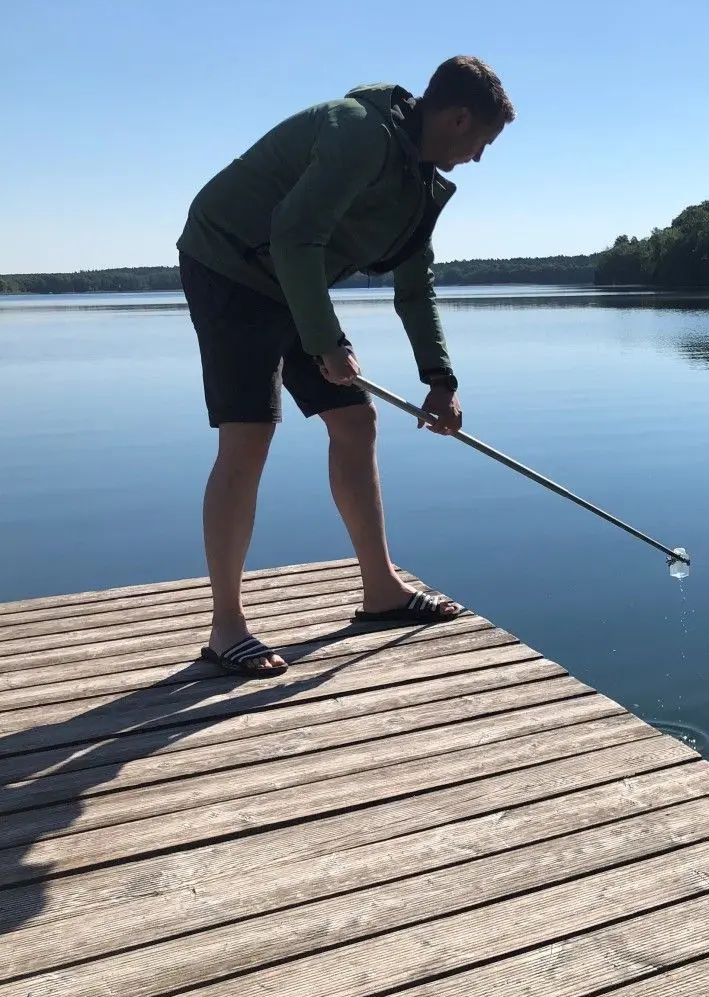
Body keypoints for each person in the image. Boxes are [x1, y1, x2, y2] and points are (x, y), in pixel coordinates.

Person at [176, 56, 514, 677]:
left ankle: (380, 591)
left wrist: (441, 382)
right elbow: (294, 236)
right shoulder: (357, 131)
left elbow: (415, 288)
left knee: (355, 422)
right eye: (481, 141)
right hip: (229, 265)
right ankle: (226, 629)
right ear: (458, 116)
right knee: (248, 435)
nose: (478, 156)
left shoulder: (420, 183)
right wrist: (326, 340)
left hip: (291, 280)